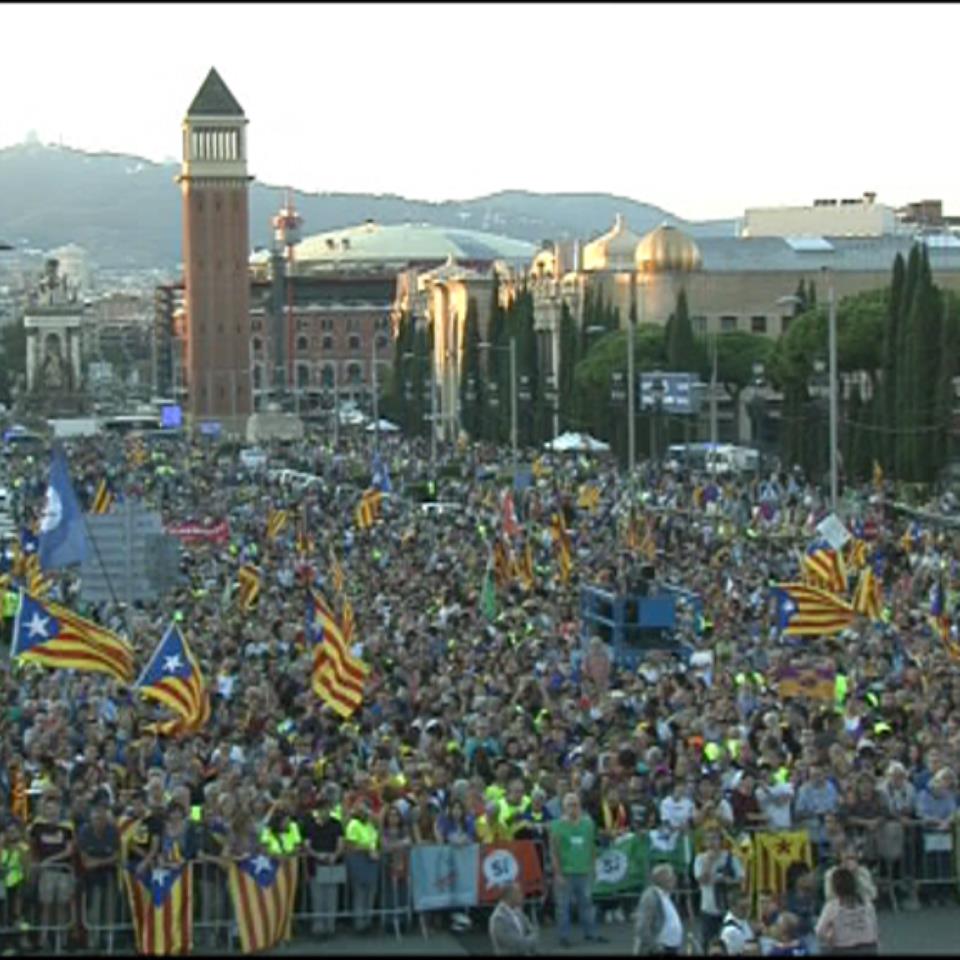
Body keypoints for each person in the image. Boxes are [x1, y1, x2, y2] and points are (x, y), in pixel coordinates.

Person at [549, 791, 605, 947]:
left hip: (584, 871)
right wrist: (558, 874)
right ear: (563, 807)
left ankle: (591, 934)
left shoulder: (588, 824)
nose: (573, 808)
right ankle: (564, 937)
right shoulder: (556, 826)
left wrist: (594, 868)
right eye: (569, 805)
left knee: (587, 904)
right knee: (563, 907)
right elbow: (554, 852)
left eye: (576, 804)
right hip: (566, 873)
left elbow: (591, 847)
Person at [76, 801, 120, 951]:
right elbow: (85, 861)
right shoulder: (84, 832)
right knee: (94, 908)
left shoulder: (113, 831)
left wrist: (98, 862)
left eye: (101, 818)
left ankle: (109, 940)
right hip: (91, 877)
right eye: (96, 818)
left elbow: (116, 856)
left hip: (109, 874)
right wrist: (103, 861)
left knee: (110, 908)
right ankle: (93, 941)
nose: (99, 821)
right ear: (91, 818)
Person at [303, 794, 344, 938]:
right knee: (318, 897)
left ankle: (330, 927)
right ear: (317, 810)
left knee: (332, 896)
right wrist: (317, 855)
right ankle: (318, 927)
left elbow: (340, 843)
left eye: (326, 809)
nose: (324, 812)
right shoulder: (310, 824)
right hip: (316, 865)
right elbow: (307, 846)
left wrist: (335, 855)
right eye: (321, 809)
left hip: (333, 864)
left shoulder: (336, 824)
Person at [694, 829, 744, 946]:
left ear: (720, 841)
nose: (711, 842)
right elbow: (701, 880)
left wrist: (727, 881)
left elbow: (741, 878)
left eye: (714, 839)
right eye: (708, 839)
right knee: (709, 943)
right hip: (708, 909)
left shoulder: (730, 858)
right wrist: (708, 862)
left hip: (728, 908)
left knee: (729, 943)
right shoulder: (700, 859)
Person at [814, 866, 879, 955]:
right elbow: (874, 928)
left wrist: (828, 935)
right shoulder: (867, 903)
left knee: (821, 947)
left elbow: (819, 931)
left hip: (843, 949)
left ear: (834, 887)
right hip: (869, 948)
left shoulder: (832, 906)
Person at [633, 863, 684, 956]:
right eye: (671, 875)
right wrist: (654, 947)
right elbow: (642, 926)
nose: (674, 879)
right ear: (660, 878)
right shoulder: (651, 897)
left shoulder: (666, 896)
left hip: (671, 948)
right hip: (659, 949)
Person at [488, 881, 538, 956]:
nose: (522, 896)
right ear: (510, 896)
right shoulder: (498, 919)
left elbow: (530, 929)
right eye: (518, 893)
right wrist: (532, 940)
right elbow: (513, 943)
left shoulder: (518, 912)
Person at [720, 891, 757, 956]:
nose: (747, 911)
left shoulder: (742, 920)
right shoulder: (729, 931)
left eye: (748, 907)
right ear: (732, 907)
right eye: (743, 908)